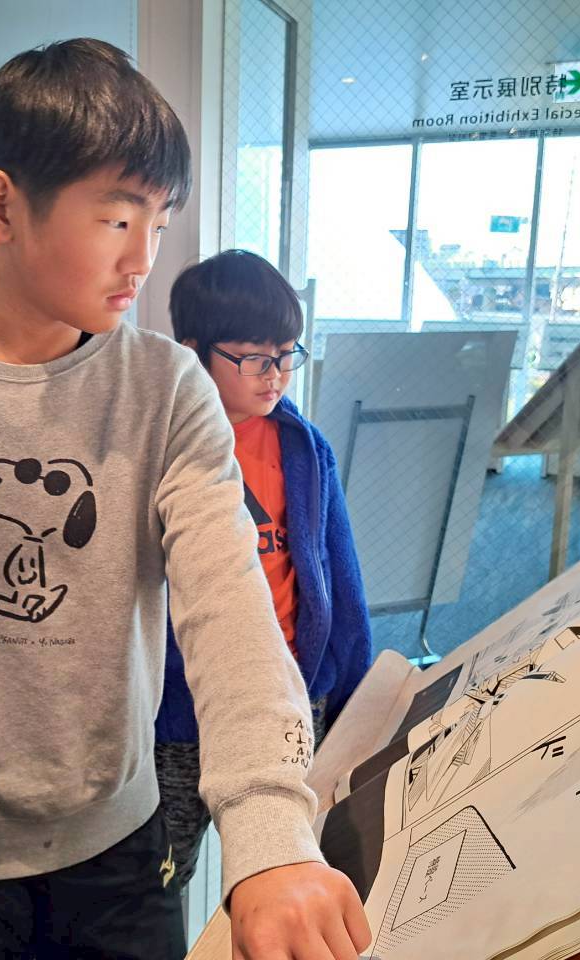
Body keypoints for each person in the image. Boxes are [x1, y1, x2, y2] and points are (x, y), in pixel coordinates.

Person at [0, 38, 371, 960]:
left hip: (118, 851)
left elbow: (227, 603)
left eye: (160, 219)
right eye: (117, 218)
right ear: (1, 205)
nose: (144, 257)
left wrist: (271, 831)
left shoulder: (167, 388)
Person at [156, 248, 375, 888]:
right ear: (194, 352)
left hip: (292, 697)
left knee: (292, 867)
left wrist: (353, 696)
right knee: (161, 876)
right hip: (181, 713)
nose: (276, 375)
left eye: (286, 354)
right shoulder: (159, 446)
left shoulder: (303, 446)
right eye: (255, 358)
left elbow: (340, 577)